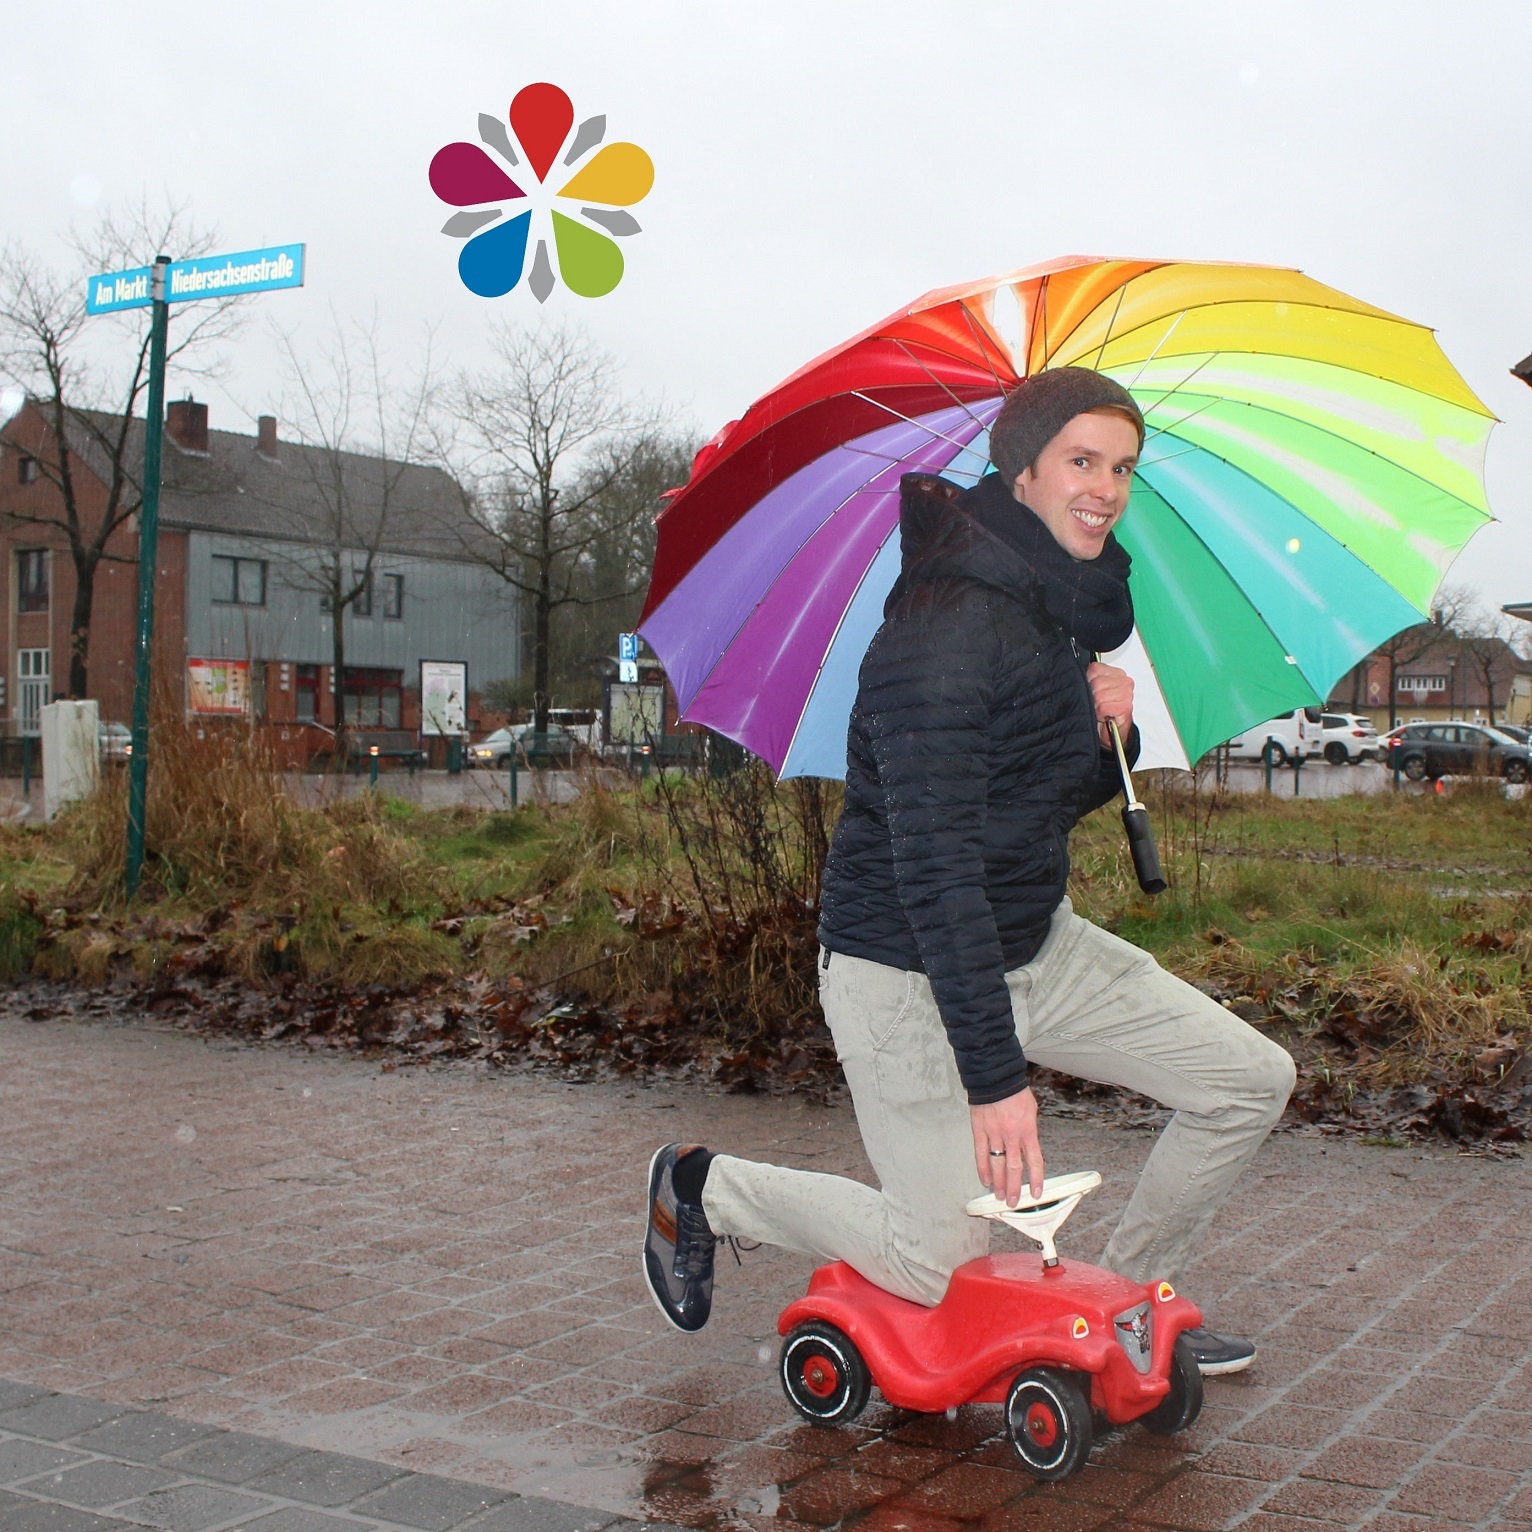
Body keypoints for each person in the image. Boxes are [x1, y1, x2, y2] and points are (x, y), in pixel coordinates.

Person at [643, 367, 1296, 1374]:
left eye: (1121, 466)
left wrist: (1098, 737)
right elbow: (935, 861)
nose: (1106, 488)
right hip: (902, 967)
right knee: (937, 1259)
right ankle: (700, 1185)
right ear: (1020, 468)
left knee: (1248, 1080)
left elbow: (1021, 805)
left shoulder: (1056, 604)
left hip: (1034, 944)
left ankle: (1122, 1302)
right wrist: (996, 1083)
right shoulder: (943, 629)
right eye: (1082, 460)